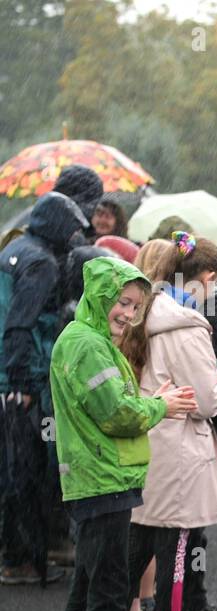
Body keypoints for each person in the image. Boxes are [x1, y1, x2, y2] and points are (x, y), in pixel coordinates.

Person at [48, 255, 196, 611]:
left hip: (97, 477)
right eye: (123, 302)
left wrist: (150, 401)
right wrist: (161, 407)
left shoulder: (85, 339)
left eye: (135, 307)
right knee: (109, 584)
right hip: (103, 477)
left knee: (89, 581)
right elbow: (116, 414)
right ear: (101, 295)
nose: (129, 314)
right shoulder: (87, 344)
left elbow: (114, 402)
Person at [118, 232, 217, 611]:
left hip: (139, 447)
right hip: (178, 452)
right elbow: (207, 401)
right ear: (202, 277)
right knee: (174, 553)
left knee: (135, 551)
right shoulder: (188, 325)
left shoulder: (133, 317)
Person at [1, 192, 87, 585]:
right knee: (29, 471)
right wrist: (23, 383)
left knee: (13, 470)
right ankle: (23, 560)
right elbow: (21, 324)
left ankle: (19, 556)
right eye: (72, 229)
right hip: (20, 380)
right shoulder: (41, 264)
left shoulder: (15, 248)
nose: (74, 238)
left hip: (8, 376)